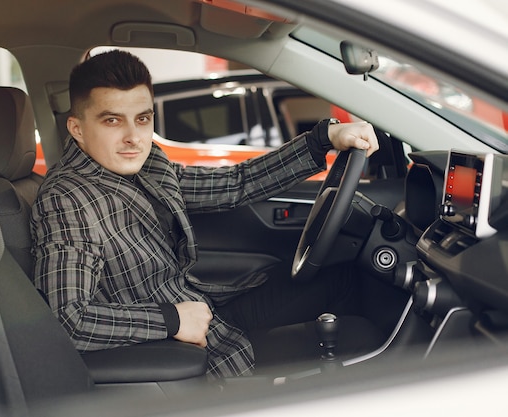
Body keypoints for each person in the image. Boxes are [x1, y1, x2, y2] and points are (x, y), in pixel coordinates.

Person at [31, 49, 379, 379]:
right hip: (184, 351)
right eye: (112, 121)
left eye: (142, 119)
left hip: (209, 308)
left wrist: (323, 139)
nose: (132, 137)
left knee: (342, 276)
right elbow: (68, 318)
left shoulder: (148, 163)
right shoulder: (67, 198)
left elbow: (234, 183)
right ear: (77, 128)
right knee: (361, 340)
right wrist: (170, 321)